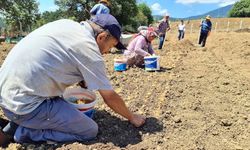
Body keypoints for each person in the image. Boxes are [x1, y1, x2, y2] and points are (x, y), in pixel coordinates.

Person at [0, 14, 146, 146]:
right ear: (101, 37)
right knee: (89, 130)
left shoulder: (67, 24)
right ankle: (23, 132)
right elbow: (109, 97)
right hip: (24, 108)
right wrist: (132, 117)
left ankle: (22, 123)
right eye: (111, 45)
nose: (107, 51)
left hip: (6, 94)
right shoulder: (89, 49)